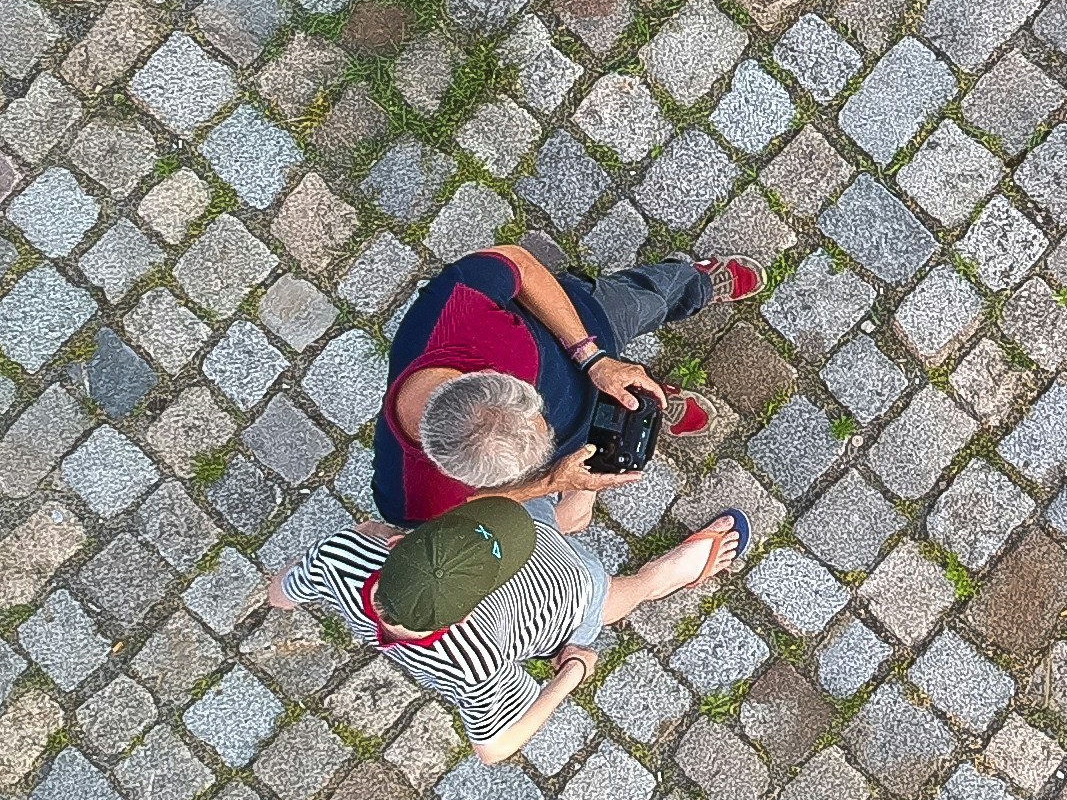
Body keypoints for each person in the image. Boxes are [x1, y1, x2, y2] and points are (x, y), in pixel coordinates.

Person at [264, 493, 752, 766]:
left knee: (534, 518)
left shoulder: (343, 558)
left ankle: (572, 514)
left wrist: (568, 671)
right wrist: (572, 676)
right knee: (619, 593)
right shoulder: (473, 660)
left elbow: (279, 594)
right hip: (562, 585)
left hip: (525, 544)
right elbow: (494, 747)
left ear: (396, 545)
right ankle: (657, 575)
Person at [366, 244, 762, 534]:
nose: (547, 420)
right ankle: (646, 403)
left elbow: (518, 263)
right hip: (583, 442)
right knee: (632, 417)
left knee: (649, 299)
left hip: (584, 326)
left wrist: (593, 358)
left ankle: (699, 282)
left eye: (540, 414)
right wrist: (552, 482)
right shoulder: (407, 495)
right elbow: (450, 519)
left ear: (493, 377)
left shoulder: (452, 313)